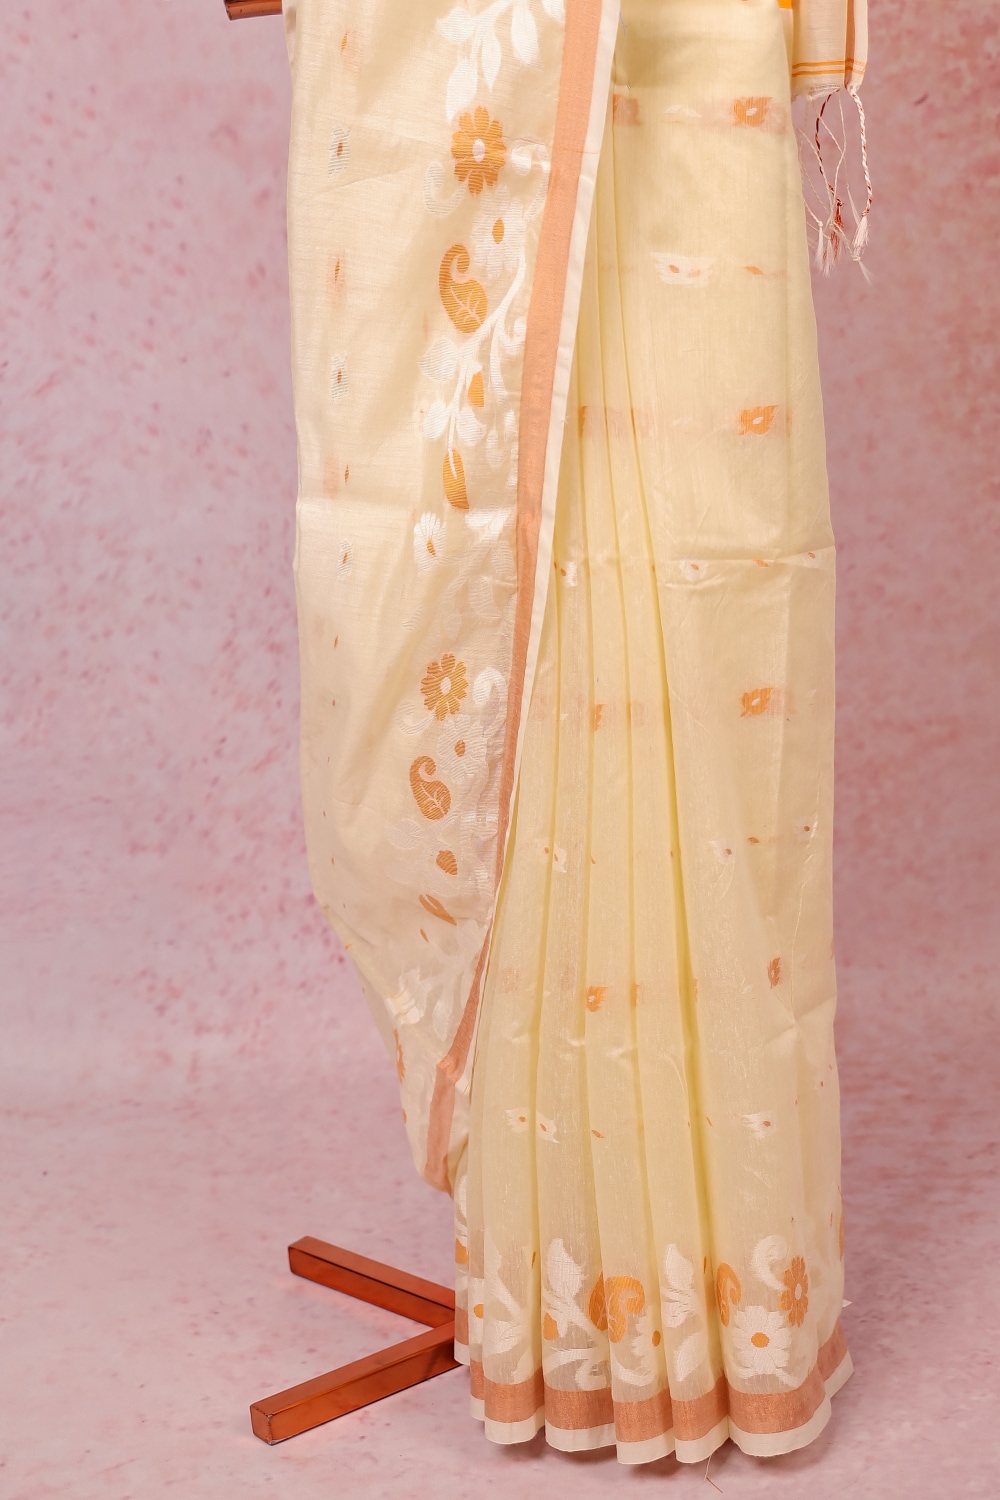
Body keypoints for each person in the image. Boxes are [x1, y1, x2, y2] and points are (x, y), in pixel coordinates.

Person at [285, 0, 868, 1464]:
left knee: (700, 613)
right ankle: (548, 1296)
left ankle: (695, 1324)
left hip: (696, 74)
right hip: (515, 78)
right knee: (506, 643)